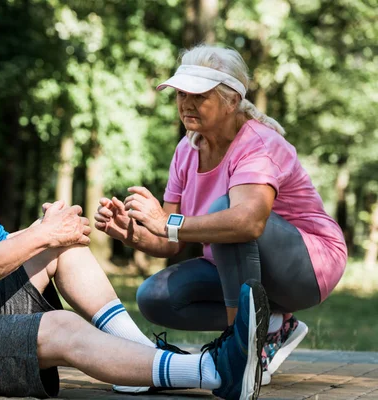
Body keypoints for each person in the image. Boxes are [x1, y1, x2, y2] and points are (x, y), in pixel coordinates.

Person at [0, 72, 270, 399]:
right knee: (62, 326)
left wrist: (46, 233)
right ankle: (215, 372)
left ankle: (144, 365)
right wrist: (40, 234)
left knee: (62, 248)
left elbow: (1, 251)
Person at [95, 45, 347, 388]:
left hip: (309, 266)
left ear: (231, 100)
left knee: (224, 215)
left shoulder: (259, 143)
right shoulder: (187, 149)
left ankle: (240, 352)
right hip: (238, 264)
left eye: (198, 94)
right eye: (181, 93)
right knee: (154, 297)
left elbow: (248, 223)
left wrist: (167, 223)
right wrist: (134, 234)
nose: (186, 103)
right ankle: (271, 325)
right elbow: (169, 241)